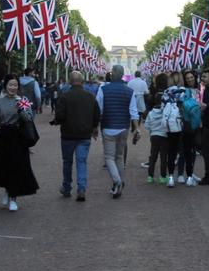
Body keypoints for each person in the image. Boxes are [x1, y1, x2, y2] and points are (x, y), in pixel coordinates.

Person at [0, 75, 39, 210]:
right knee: (4, 166)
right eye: (10, 85)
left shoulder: (23, 101)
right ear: (5, 86)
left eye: (15, 85)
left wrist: (21, 110)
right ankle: (8, 191)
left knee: (16, 167)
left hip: (18, 137)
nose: (13, 88)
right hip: (3, 137)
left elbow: (29, 119)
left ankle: (13, 197)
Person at [95, 65, 141, 198]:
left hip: (108, 126)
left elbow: (99, 109)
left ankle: (117, 181)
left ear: (113, 74)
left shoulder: (103, 89)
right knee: (119, 157)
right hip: (123, 128)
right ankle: (118, 184)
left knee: (109, 157)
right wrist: (137, 128)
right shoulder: (129, 91)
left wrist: (95, 126)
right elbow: (133, 112)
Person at [54, 70, 100, 200]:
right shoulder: (90, 96)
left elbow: (60, 116)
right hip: (84, 135)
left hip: (68, 135)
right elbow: (97, 114)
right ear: (82, 81)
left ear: (70, 81)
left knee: (67, 162)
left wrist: (59, 121)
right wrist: (94, 127)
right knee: (82, 162)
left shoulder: (64, 96)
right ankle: (81, 188)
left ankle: (67, 188)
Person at [142, 75, 171, 185]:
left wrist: (152, 129)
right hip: (164, 135)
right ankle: (163, 177)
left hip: (154, 135)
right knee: (164, 156)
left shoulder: (151, 112)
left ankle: (150, 176)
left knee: (153, 155)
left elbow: (147, 125)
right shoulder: (165, 112)